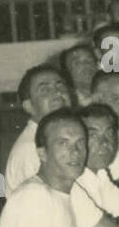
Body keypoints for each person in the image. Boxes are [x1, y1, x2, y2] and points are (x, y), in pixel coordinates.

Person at [5, 65, 72, 196]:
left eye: (60, 86)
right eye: (45, 90)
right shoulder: (30, 149)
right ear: (29, 106)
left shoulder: (63, 136)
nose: (58, 93)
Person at [70, 103, 119, 227]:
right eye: (94, 135)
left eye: (109, 134)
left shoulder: (99, 174)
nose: (104, 143)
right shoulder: (72, 183)